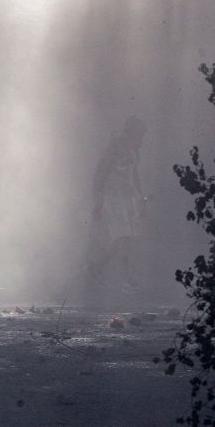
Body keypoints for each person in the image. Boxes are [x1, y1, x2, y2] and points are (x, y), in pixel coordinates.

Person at [87, 116, 148, 294]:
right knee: (123, 238)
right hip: (113, 197)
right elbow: (99, 174)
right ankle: (126, 280)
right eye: (140, 134)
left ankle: (97, 267)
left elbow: (135, 176)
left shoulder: (134, 151)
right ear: (131, 132)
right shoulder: (114, 148)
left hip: (128, 198)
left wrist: (142, 201)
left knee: (127, 239)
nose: (142, 138)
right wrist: (97, 200)